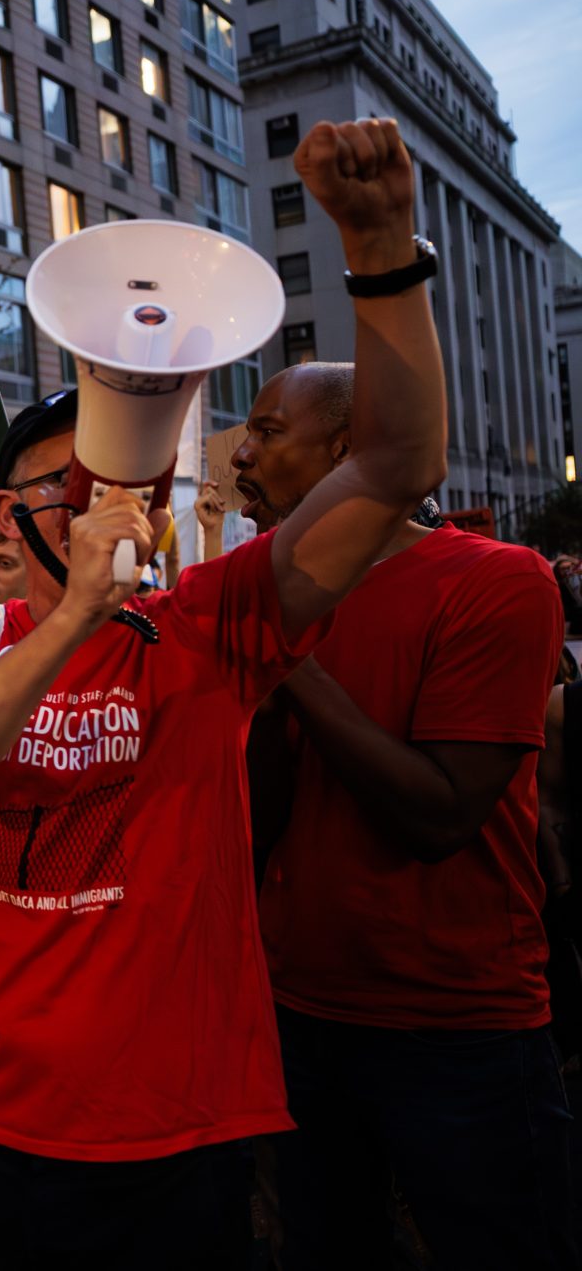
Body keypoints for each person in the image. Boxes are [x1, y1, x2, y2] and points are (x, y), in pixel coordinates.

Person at [0, 118, 449, 1264]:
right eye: (68, 494)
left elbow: (395, 467)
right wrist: (76, 618)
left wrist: (380, 249)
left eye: (119, 490)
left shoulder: (210, 624)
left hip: (178, 1134)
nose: (107, 512)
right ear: (8, 518)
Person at [231, 365, 575, 1268]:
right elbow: (260, 821)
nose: (241, 452)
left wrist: (283, 650)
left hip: (459, 1030)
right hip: (300, 1019)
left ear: (347, 453)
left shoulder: (499, 580)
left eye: (268, 431)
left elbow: (442, 815)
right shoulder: (262, 587)